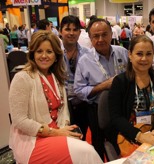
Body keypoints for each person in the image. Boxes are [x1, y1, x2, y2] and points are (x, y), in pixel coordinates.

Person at [9, 30, 102, 164]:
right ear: (32, 54)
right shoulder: (22, 78)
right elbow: (19, 120)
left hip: (55, 133)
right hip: (32, 140)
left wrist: (63, 130)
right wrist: (55, 132)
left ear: (56, 55)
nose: (44, 56)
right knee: (87, 151)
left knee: (82, 148)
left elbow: (63, 112)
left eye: (49, 51)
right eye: (39, 51)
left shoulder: (56, 78)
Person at [74, 18, 128, 160]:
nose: (100, 39)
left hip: (123, 107)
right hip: (97, 109)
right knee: (98, 145)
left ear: (111, 34)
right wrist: (104, 86)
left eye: (104, 34)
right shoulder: (84, 60)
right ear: (90, 38)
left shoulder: (122, 52)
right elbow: (79, 90)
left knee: (122, 141)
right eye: (95, 36)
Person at [108, 35, 154, 155]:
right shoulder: (120, 82)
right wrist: (140, 136)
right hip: (130, 135)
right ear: (130, 55)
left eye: (149, 54)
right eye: (139, 54)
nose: (144, 58)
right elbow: (116, 117)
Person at [60, 15, 90, 141]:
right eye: (67, 29)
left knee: (81, 136)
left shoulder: (87, 53)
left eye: (75, 29)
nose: (71, 33)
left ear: (79, 32)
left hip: (82, 103)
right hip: (61, 104)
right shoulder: (54, 53)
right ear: (61, 31)